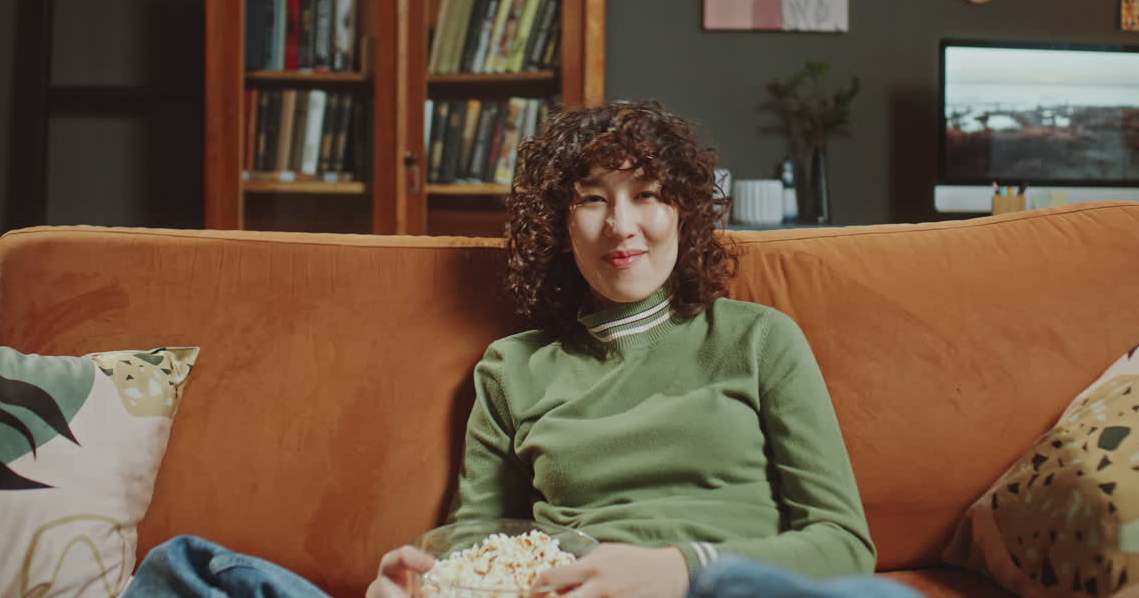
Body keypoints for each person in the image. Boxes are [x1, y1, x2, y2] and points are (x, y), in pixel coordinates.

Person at [127, 100, 919, 598]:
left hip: (725, 587)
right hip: (561, 592)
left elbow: (845, 544)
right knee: (184, 569)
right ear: (558, 225)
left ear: (685, 213)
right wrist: (431, 582)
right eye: (590, 200)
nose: (621, 226)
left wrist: (682, 570)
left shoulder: (757, 341)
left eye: (646, 195)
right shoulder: (514, 368)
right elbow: (481, 536)